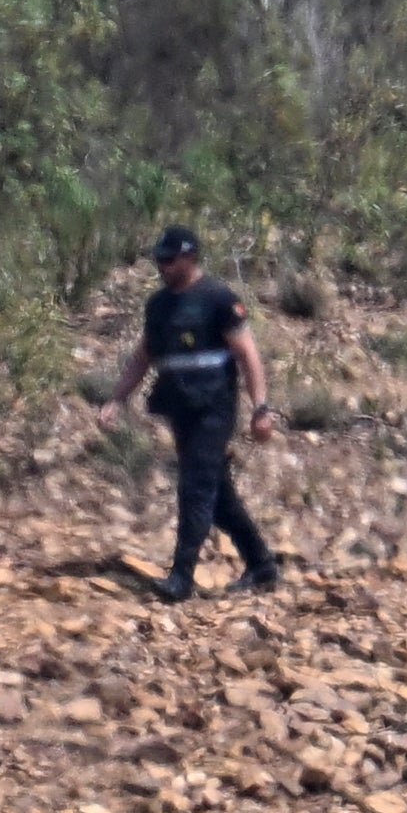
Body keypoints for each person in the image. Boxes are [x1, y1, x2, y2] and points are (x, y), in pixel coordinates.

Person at [102, 227, 282, 599]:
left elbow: (247, 355)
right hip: (179, 407)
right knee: (217, 495)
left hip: (214, 407)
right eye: (159, 260)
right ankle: (261, 564)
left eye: (169, 260)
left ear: (189, 257)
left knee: (195, 488)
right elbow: (143, 357)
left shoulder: (217, 299)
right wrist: (116, 399)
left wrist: (260, 408)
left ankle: (181, 577)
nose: (163, 267)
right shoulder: (158, 305)